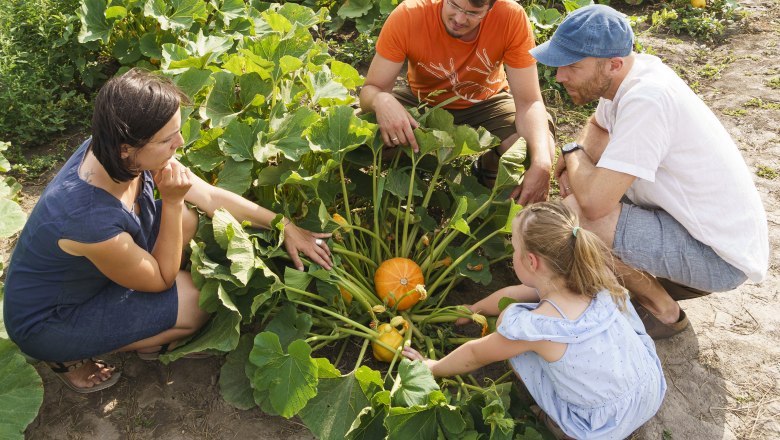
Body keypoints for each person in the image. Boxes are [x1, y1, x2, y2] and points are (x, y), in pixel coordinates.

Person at [3, 69, 333, 393]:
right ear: (126, 148)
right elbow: (162, 278)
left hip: (93, 273)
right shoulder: (86, 218)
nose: (181, 142)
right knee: (194, 300)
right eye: (167, 139)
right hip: (50, 319)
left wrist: (284, 225)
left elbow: (209, 196)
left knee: (188, 219)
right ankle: (67, 357)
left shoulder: (118, 152)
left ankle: (146, 325)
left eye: (177, 130)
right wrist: (171, 203)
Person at [531, 5, 768, 339]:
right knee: (578, 195)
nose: (559, 76)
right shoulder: (630, 75)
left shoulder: (647, 100)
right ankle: (629, 279)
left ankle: (664, 310)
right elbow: (597, 126)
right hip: (696, 225)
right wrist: (580, 159)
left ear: (612, 64)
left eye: (572, 66)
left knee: (579, 221)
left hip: (717, 255)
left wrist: (572, 153)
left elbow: (595, 205)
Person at [404, 201, 666, 439]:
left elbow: (476, 354)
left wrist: (432, 366)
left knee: (517, 343)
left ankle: (562, 426)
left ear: (530, 260)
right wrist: (475, 309)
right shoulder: (589, 277)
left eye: (514, 248)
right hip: (649, 388)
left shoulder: (539, 328)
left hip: (602, 424)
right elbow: (514, 293)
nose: (512, 253)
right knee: (515, 322)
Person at [358, 0, 556, 205]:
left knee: (538, 148)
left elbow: (529, 102)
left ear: (491, 7)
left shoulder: (511, 17)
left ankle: (490, 165)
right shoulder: (410, 14)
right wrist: (381, 99)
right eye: (454, 5)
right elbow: (371, 89)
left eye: (473, 12)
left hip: (487, 101)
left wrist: (542, 162)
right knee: (363, 135)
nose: (460, 19)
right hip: (423, 102)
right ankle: (415, 168)